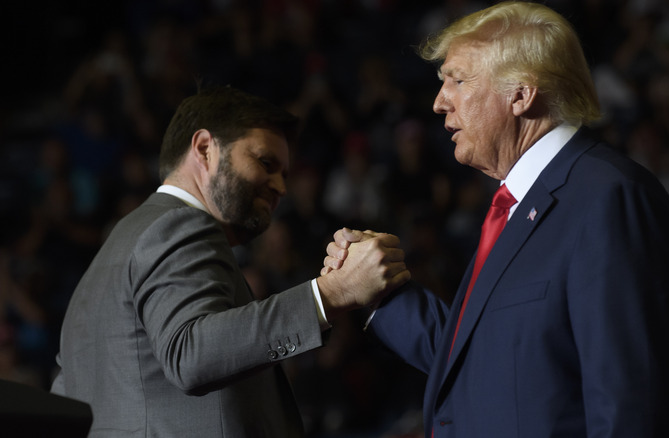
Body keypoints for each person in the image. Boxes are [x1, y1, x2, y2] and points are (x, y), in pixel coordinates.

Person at [324, 2, 669, 436]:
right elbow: (484, 363)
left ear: (521, 95)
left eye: (458, 80)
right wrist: (379, 290)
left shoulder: (609, 197)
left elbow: (633, 405)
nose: (438, 102)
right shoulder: (516, 205)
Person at [50, 86, 410, 437]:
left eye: (284, 175)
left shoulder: (106, 261)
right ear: (205, 148)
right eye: (265, 163)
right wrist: (331, 294)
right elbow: (190, 354)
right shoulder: (180, 224)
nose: (280, 187)